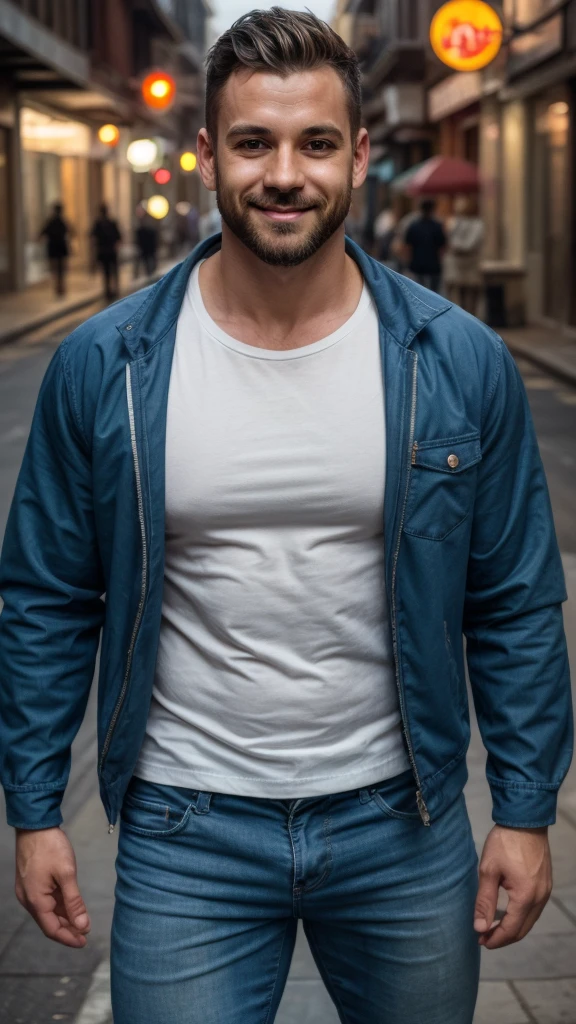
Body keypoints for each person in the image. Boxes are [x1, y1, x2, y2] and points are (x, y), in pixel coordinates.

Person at [0, 10, 572, 1024]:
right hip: (186, 832)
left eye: (315, 144)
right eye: (255, 143)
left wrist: (524, 810)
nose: (284, 175)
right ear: (211, 154)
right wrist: (35, 809)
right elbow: (46, 597)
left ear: (356, 155)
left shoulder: (458, 359)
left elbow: (516, 600)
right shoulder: (107, 363)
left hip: (403, 821)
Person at [444, 196, 485, 316]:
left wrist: (457, 246)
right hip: (457, 263)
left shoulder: (478, 224)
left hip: (470, 261)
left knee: (472, 290)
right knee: (459, 290)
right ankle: (463, 316)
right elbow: (450, 239)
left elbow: (471, 243)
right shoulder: (456, 222)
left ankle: (472, 316)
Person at [404, 197, 447, 292]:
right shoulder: (437, 226)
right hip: (433, 264)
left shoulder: (414, 226)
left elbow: (408, 245)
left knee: (419, 290)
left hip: (417, 263)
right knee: (434, 291)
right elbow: (442, 245)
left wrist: (408, 260)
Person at [90, 203, 122, 300]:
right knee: (113, 271)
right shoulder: (111, 222)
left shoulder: (98, 224)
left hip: (103, 251)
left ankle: (108, 291)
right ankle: (114, 289)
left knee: (106, 272)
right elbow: (119, 237)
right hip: (110, 251)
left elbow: (92, 236)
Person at [39, 202, 71, 297]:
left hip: (54, 247)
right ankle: (60, 287)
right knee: (61, 269)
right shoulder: (62, 221)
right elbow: (71, 231)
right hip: (60, 247)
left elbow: (42, 232)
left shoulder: (52, 221)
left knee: (56, 269)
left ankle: (58, 287)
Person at [134, 207, 158, 278]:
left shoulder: (149, 224)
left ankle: (149, 275)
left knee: (149, 264)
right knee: (144, 263)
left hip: (149, 247)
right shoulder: (140, 225)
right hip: (144, 247)